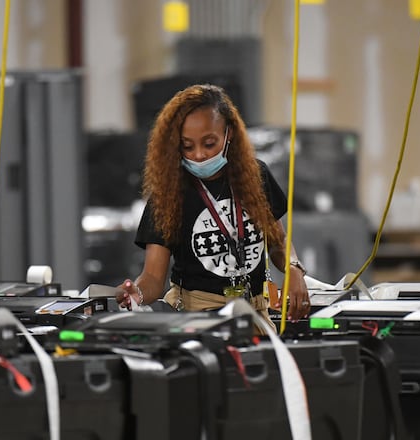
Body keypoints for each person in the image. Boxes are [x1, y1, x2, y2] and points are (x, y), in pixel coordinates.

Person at [114, 84, 310, 331]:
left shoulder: (255, 176)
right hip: (196, 319)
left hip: (255, 314)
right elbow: (153, 278)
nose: (198, 155)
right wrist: (137, 294)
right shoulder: (168, 194)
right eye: (187, 146)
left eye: (209, 143)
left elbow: (278, 241)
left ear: (228, 133)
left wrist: (294, 268)